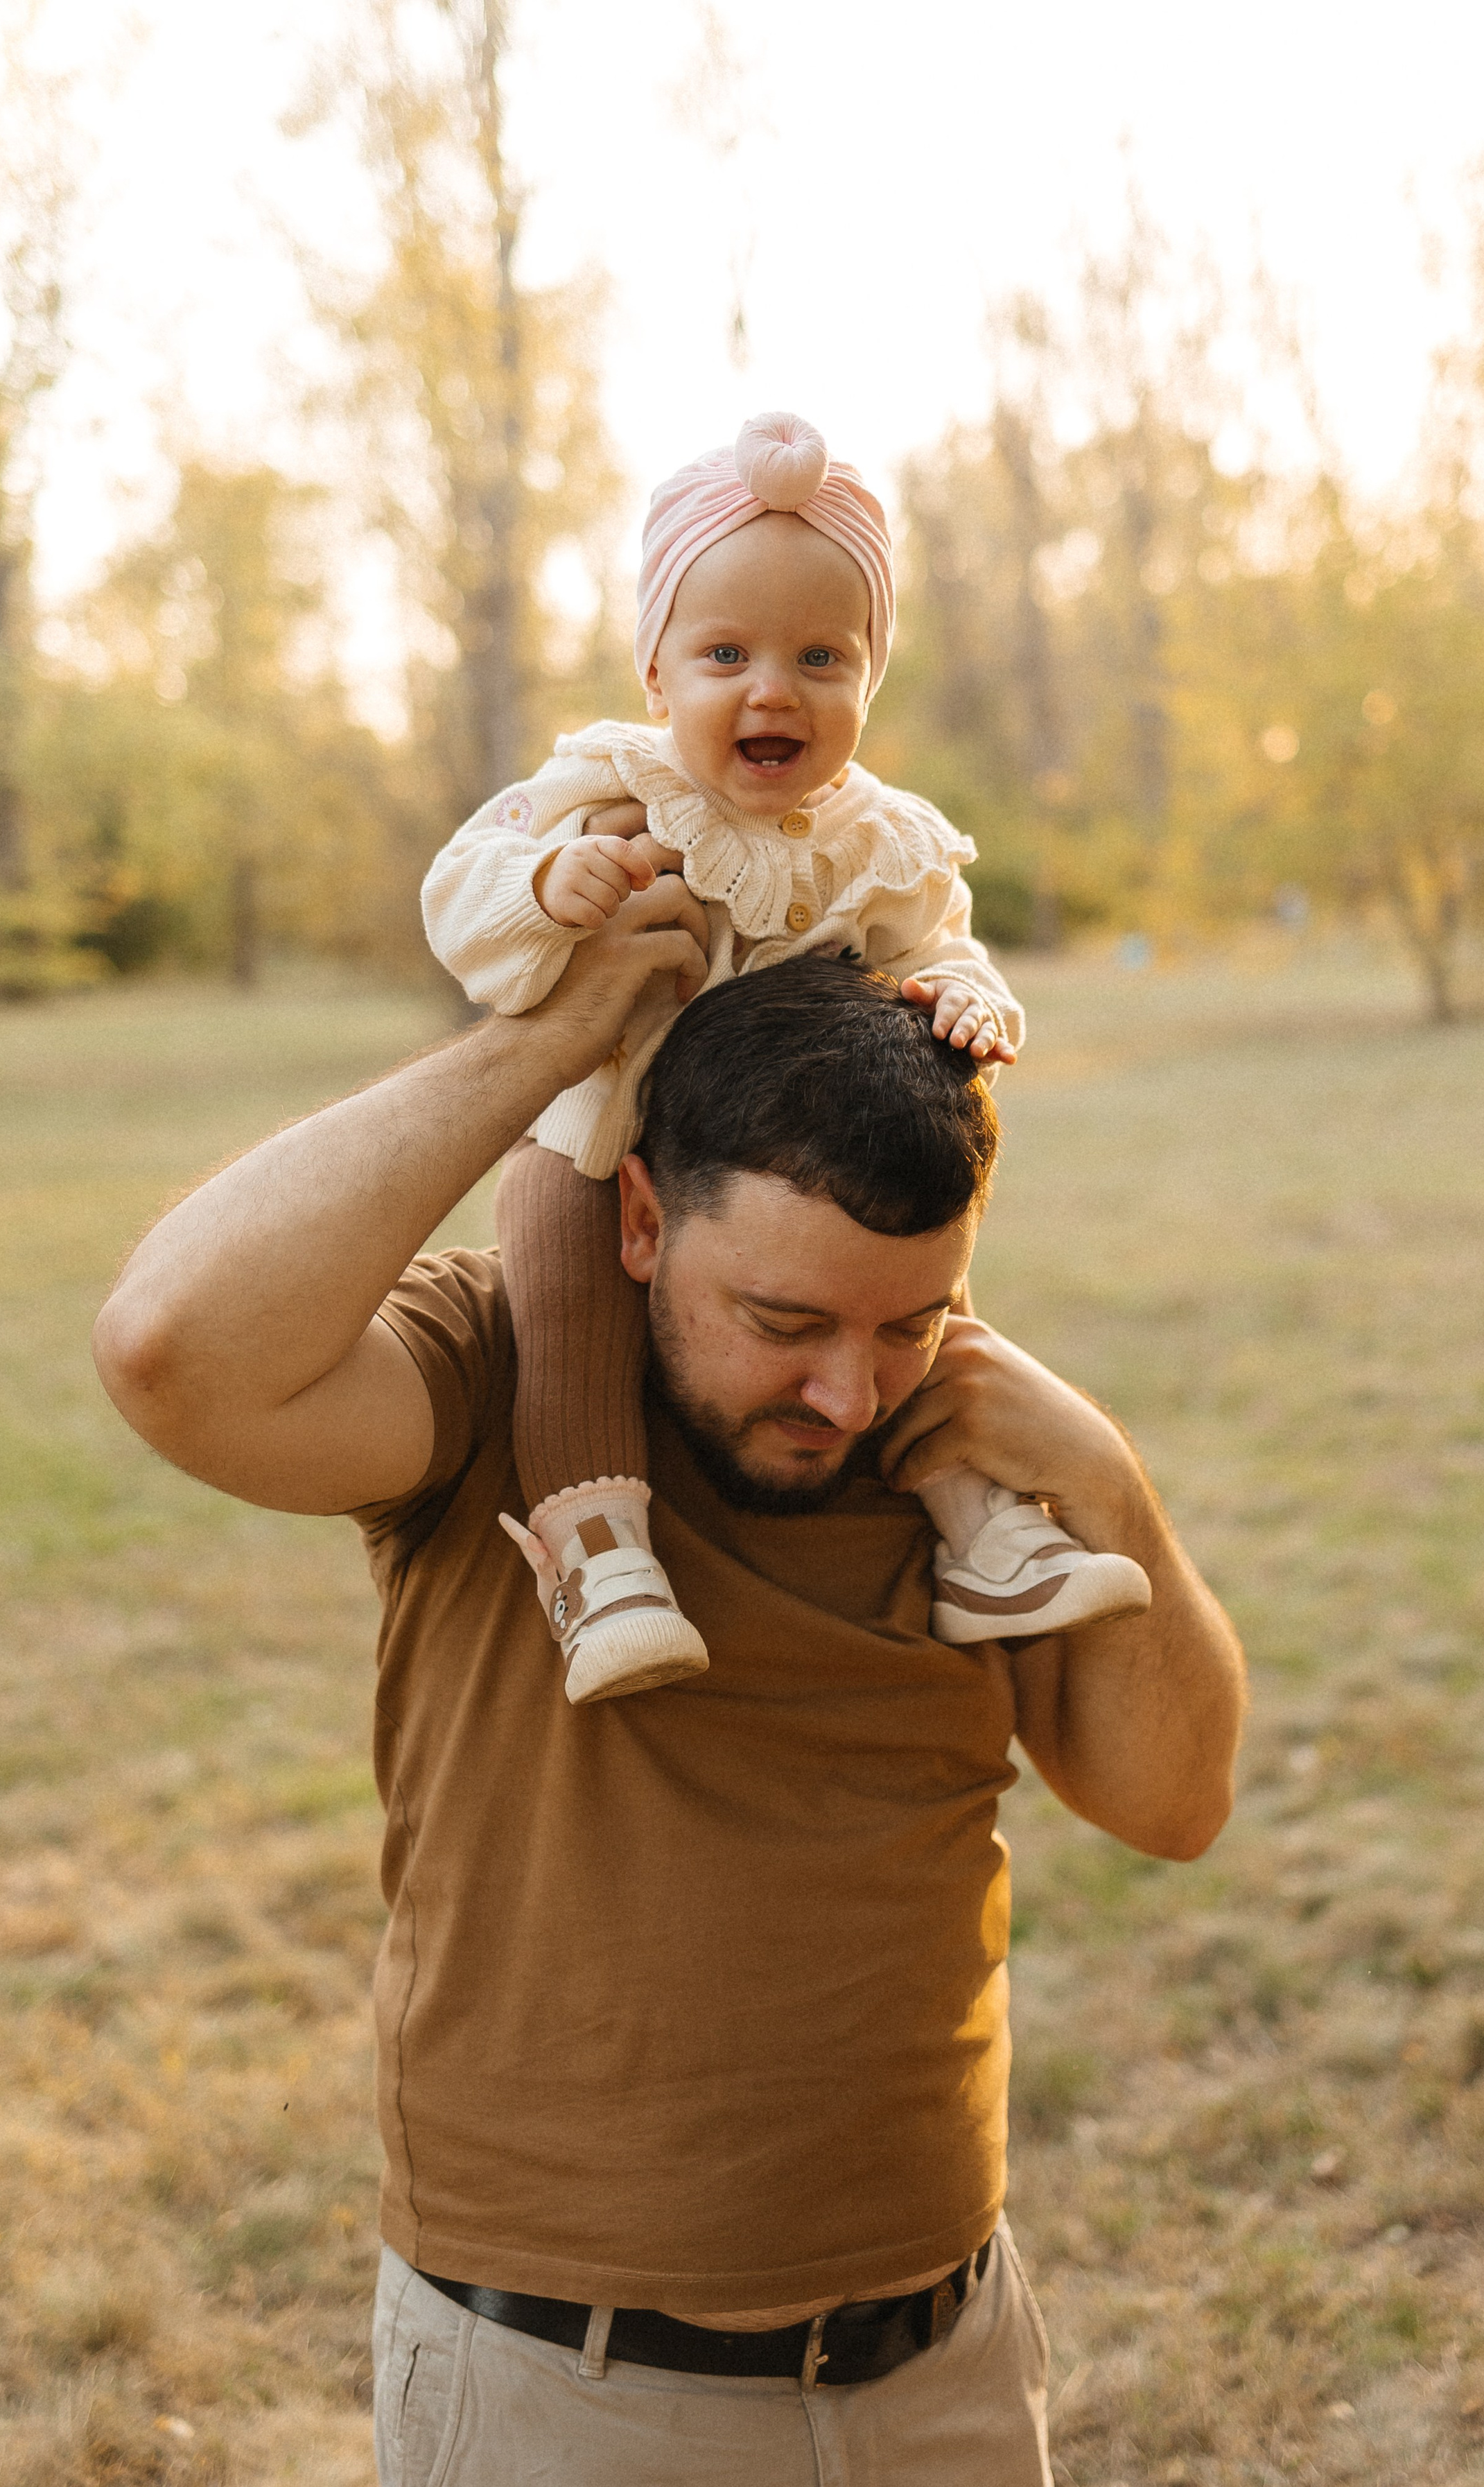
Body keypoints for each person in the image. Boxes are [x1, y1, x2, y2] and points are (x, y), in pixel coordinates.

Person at [92, 913, 1248, 2487]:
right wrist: (545, 1044)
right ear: (638, 1217)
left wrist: (1111, 1486)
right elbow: (174, 1352)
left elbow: (1170, 1805)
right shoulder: (493, 1372)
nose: (847, 1394)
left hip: (945, 2364)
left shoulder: (955, 1444)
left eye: (906, 1319)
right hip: (566, 2391)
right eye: (783, 1325)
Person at [421, 409, 1152, 1703]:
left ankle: (980, 1524)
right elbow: (460, 897)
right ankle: (604, 1562)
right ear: (657, 677)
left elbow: (945, 943)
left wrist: (968, 1001)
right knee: (564, 1294)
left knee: (898, 1288)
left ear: (871, 679)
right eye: (725, 653)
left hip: (821, 1157)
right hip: (615, 1138)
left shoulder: (878, 838)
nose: (775, 688)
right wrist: (549, 884)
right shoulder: (609, 792)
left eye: (823, 654)